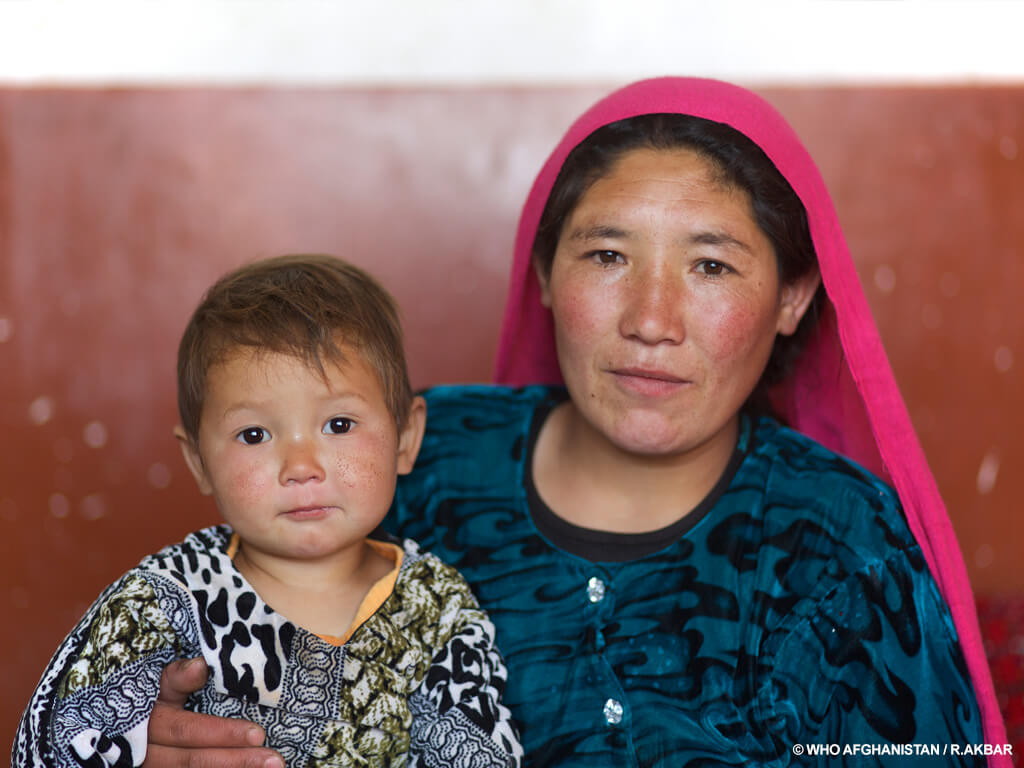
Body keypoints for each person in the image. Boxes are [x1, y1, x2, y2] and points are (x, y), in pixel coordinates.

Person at [21, 78, 1009, 767]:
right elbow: (197, 646)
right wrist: (148, 732)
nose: (651, 321)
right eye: (606, 257)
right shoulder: (406, 467)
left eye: (711, 266)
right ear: (542, 276)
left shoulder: (841, 539)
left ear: (794, 297)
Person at [13, 255, 523, 768]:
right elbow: (59, 739)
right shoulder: (165, 595)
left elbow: (481, 752)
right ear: (199, 462)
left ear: (406, 439)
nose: (300, 467)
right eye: (254, 435)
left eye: (339, 424)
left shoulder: (437, 606)